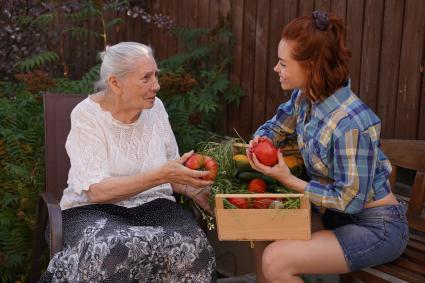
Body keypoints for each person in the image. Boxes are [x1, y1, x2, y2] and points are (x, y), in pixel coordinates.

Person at [246, 11, 409, 283]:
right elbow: (276, 127)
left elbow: (350, 200)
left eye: (283, 64)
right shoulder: (305, 97)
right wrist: (261, 142)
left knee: (275, 261)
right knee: (260, 228)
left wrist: (289, 180)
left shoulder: (350, 123)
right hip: (335, 217)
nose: (276, 69)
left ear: (310, 66)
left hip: (375, 227)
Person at [40, 42, 216, 282]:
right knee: (114, 248)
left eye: (155, 75)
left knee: (194, 247)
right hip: (91, 211)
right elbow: (98, 191)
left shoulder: (156, 109)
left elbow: (172, 174)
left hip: (154, 207)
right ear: (115, 83)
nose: (157, 85)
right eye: (146, 78)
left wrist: (199, 191)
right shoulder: (87, 115)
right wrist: (162, 176)